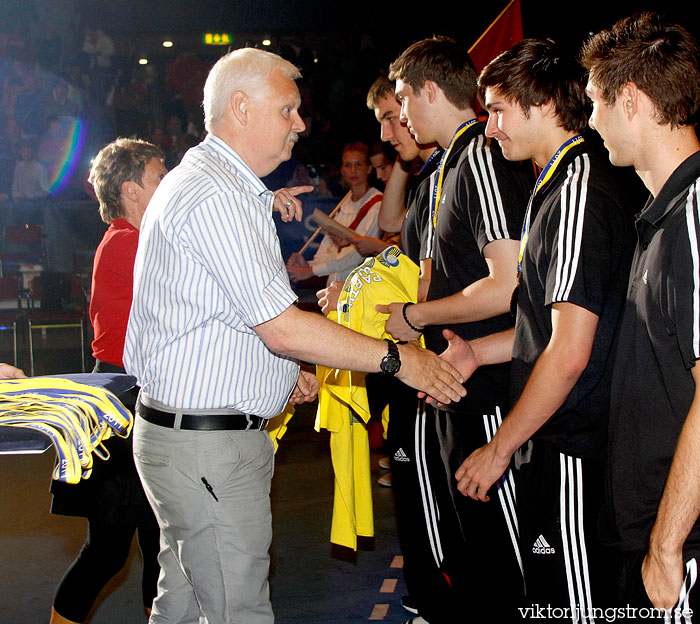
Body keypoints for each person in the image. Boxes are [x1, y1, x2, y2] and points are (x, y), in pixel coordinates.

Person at [123, 47, 466, 624]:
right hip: (207, 449)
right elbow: (280, 327)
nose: (301, 125)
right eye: (287, 110)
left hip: (189, 440)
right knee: (238, 613)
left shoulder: (212, 183)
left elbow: (224, 316)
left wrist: (284, 374)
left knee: (181, 608)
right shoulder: (218, 197)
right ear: (240, 107)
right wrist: (398, 360)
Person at [439, 38, 634, 620]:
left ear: (544, 103)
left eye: (497, 109)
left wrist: (501, 447)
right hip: (555, 439)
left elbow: (570, 352)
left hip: (572, 442)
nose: (489, 126)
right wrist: (475, 351)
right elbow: (545, 334)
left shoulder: (576, 192)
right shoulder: (554, 188)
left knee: (572, 607)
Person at [380, 36, 531, 623]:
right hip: (459, 384)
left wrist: (416, 317)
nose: (402, 115)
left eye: (402, 99)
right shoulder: (450, 166)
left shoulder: (481, 161)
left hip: (491, 389)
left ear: (430, 92)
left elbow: (505, 284)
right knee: (474, 551)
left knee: (513, 558)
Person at [581, 12, 700, 617]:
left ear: (630, 99)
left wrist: (666, 542)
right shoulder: (662, 215)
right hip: (643, 533)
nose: (591, 121)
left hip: (679, 548)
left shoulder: (695, 216)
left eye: (595, 103)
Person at [48, 138, 168, 624]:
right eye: (160, 176)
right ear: (130, 189)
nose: (169, 183)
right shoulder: (128, 244)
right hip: (122, 403)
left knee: (153, 544)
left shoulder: (128, 240)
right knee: (114, 549)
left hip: (127, 398)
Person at [286, 141, 386, 286]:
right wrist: (308, 264)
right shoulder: (344, 203)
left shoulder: (377, 203)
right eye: (347, 165)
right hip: (336, 283)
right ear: (342, 170)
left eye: (358, 165)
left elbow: (355, 256)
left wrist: (311, 271)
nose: (352, 170)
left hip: (360, 285)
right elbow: (330, 247)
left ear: (369, 168)